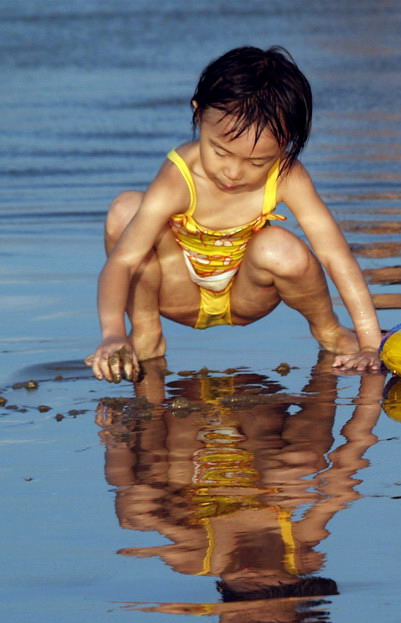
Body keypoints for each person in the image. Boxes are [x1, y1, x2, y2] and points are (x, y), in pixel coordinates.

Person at [86, 45, 382, 383]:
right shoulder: (178, 178)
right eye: (220, 152)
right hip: (177, 291)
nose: (233, 173)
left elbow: (334, 255)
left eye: (257, 162)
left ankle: (329, 331)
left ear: (286, 144)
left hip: (247, 295)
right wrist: (111, 334)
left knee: (280, 247)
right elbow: (123, 261)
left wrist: (370, 342)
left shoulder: (287, 175)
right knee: (126, 210)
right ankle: (146, 332)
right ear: (198, 115)